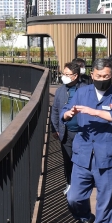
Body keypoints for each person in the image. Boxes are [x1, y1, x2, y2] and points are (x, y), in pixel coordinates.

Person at [61, 58, 112, 223]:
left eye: (106, 76)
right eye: (98, 76)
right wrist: (68, 114)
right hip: (82, 154)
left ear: (111, 75)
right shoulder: (82, 92)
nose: (102, 79)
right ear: (91, 75)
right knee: (74, 197)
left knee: (106, 200)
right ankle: (84, 217)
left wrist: (95, 112)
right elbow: (65, 111)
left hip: (107, 155)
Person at [50, 61, 83, 195]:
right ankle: (69, 182)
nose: (64, 76)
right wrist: (55, 128)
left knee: (81, 160)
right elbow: (55, 111)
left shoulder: (86, 89)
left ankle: (80, 184)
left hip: (82, 132)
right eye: (63, 74)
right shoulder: (60, 90)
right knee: (68, 159)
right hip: (65, 131)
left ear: (75, 76)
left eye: (67, 74)